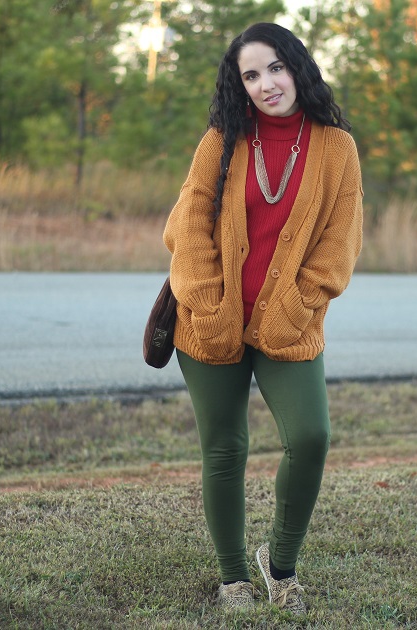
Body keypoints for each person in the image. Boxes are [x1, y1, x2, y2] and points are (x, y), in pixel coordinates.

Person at [163, 22, 363, 615]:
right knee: (224, 448)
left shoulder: (336, 148)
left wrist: (297, 307)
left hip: (289, 324)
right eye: (251, 75)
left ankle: (280, 567)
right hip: (210, 322)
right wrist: (204, 300)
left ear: (297, 67)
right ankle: (232, 580)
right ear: (239, 85)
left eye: (275, 68)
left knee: (311, 436)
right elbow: (187, 228)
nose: (266, 84)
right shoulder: (221, 140)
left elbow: (339, 244)